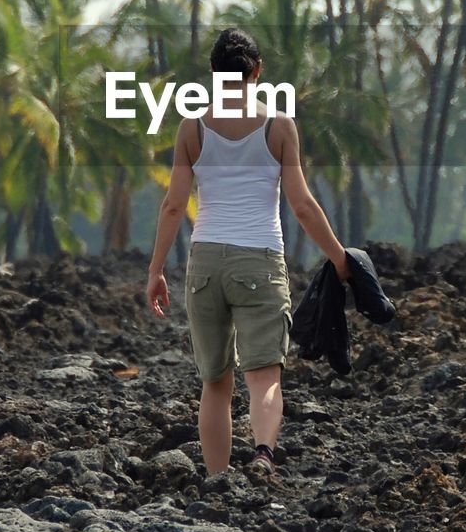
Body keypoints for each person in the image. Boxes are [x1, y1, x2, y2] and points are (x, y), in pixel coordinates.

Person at [145, 26, 349, 480]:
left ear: (213, 73)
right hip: (259, 258)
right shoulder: (278, 126)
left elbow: (174, 205)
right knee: (264, 375)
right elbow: (301, 204)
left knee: (215, 384)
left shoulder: (192, 128)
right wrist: (339, 257)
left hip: (205, 264)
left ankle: (218, 479)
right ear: (257, 71)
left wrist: (156, 270)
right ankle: (262, 454)